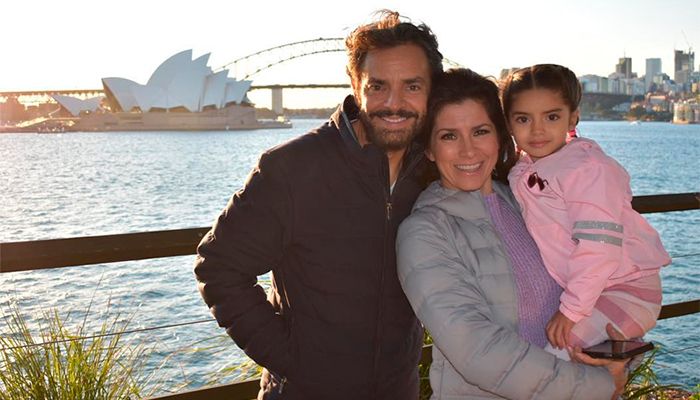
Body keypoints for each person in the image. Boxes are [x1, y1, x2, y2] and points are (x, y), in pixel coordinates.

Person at [193, 10, 443, 400]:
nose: (394, 104)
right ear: (355, 86)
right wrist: (291, 360)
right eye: (378, 86)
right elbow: (219, 267)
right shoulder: (292, 167)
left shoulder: (433, 171)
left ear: (432, 91)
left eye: (412, 87)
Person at [396, 68, 628, 399]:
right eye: (449, 136)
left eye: (480, 131)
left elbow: (594, 277)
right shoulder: (424, 232)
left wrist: (611, 359)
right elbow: (478, 351)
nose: (468, 151)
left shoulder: (531, 200)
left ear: (501, 136)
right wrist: (597, 386)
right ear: (430, 149)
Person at [501, 64, 670, 355]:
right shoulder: (528, 166)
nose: (538, 129)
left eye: (552, 116)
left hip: (626, 291)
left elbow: (599, 246)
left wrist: (571, 310)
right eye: (523, 119)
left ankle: (620, 363)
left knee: (554, 358)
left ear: (573, 118)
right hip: (595, 290)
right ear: (509, 124)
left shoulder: (587, 169)